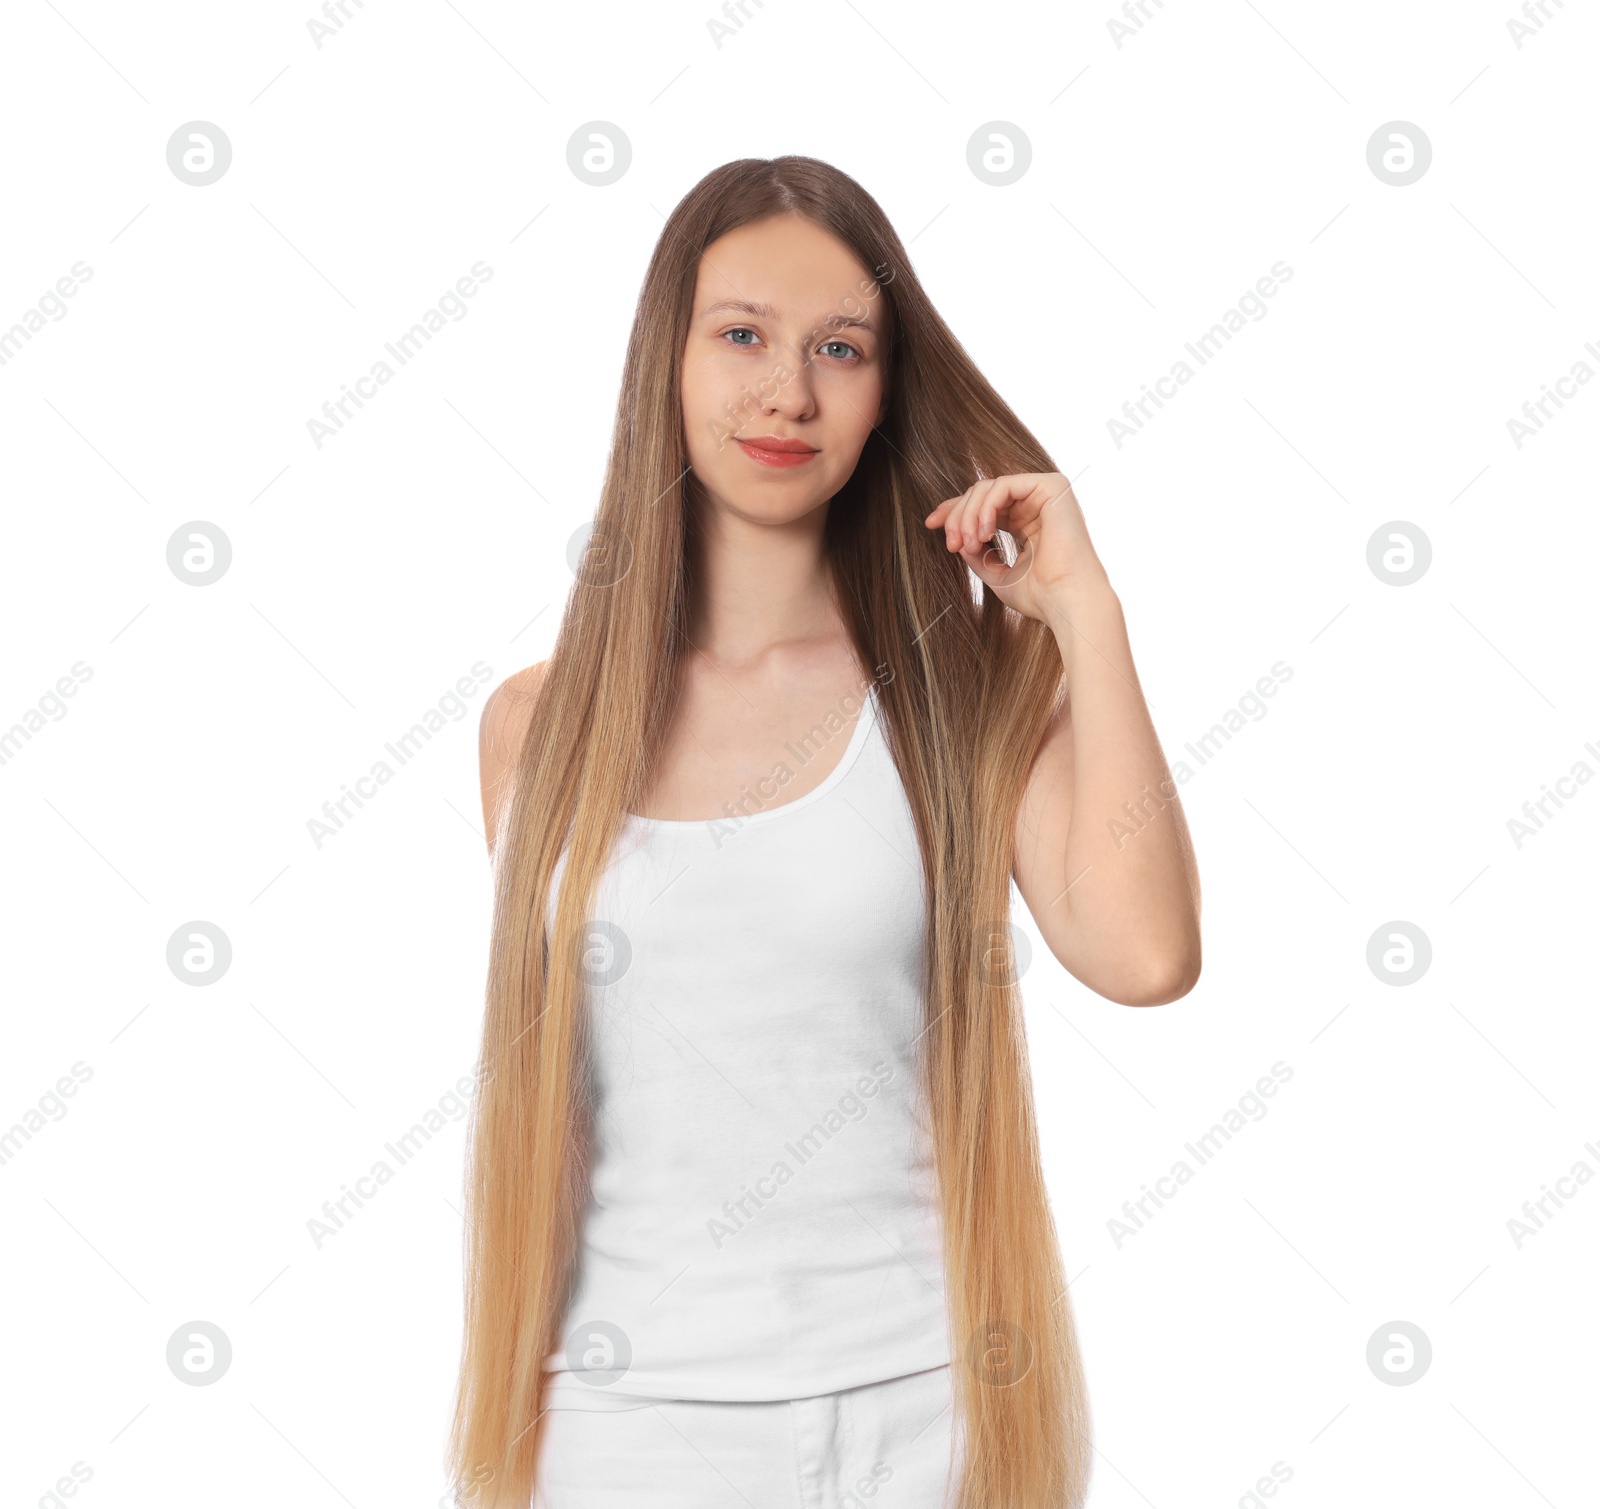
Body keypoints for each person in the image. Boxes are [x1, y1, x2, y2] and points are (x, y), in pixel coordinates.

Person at [449, 155, 1201, 1509]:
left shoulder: (952, 701)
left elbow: (1148, 954)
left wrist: (1088, 614)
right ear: (664, 363)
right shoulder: (531, 731)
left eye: (838, 349)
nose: (788, 390)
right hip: (625, 1430)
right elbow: (554, 1127)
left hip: (922, 1421)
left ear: (881, 391)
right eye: (741, 335)